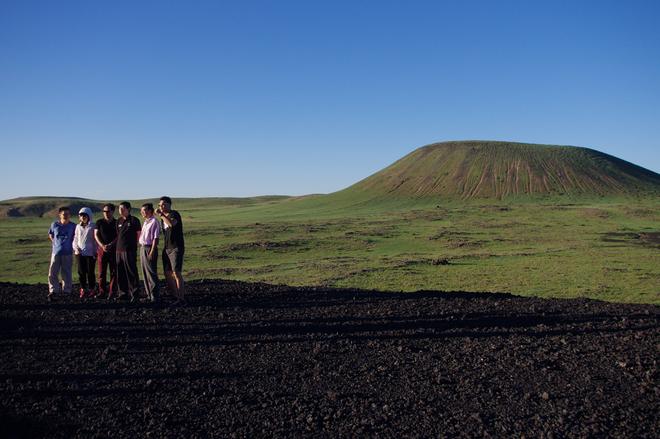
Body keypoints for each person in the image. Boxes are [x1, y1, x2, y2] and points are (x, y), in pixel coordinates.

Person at [156, 196, 186, 305]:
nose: (161, 206)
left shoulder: (174, 214)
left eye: (163, 204)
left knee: (176, 272)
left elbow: (171, 224)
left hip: (176, 247)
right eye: (160, 205)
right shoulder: (162, 218)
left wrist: (161, 215)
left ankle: (181, 298)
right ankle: (175, 295)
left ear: (169, 204)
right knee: (167, 272)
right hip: (167, 247)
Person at [47, 207, 76, 300]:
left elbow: (75, 237)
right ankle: (53, 290)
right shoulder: (54, 225)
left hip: (67, 253)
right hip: (56, 253)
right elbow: (51, 234)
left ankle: (67, 291)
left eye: (68, 214)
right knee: (53, 272)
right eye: (64, 214)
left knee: (66, 273)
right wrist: (55, 243)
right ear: (60, 215)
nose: (66, 216)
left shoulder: (73, 226)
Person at [115, 201, 142, 302]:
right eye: (119, 209)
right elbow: (118, 235)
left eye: (123, 209)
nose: (121, 211)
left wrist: (134, 246)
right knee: (120, 272)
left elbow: (138, 235)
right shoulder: (118, 221)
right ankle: (123, 293)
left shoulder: (134, 220)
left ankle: (135, 293)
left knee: (131, 272)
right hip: (118, 250)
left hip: (129, 250)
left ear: (128, 209)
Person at [72, 207, 98, 298]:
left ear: (89, 216)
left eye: (84, 215)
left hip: (90, 253)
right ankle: (83, 288)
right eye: (81, 215)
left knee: (90, 272)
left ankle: (92, 289)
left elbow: (95, 240)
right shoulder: (78, 226)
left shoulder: (93, 226)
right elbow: (75, 239)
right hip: (79, 253)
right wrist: (76, 248)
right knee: (81, 272)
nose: (82, 217)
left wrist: (96, 251)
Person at [94, 203, 118, 299]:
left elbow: (118, 235)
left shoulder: (117, 223)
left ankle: (112, 292)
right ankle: (102, 292)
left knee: (114, 272)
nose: (106, 213)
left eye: (108, 211)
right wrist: (102, 245)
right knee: (101, 272)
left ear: (112, 211)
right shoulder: (99, 222)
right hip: (102, 250)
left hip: (113, 250)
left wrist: (111, 244)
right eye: (104, 211)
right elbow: (96, 235)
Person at [139, 203, 160, 303]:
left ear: (150, 211)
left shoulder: (154, 221)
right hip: (143, 248)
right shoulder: (146, 222)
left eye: (144, 210)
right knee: (145, 272)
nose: (142, 212)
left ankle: (155, 296)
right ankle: (149, 295)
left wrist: (152, 251)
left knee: (151, 273)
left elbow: (155, 238)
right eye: (142, 210)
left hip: (149, 248)